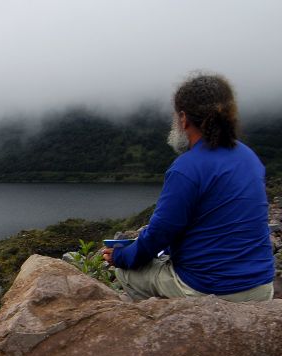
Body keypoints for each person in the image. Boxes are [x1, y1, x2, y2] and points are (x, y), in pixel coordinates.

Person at [102, 73, 275, 302]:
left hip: (209, 289)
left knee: (127, 272)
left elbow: (160, 233)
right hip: (261, 285)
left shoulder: (187, 168)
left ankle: (164, 325)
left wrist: (122, 256)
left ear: (183, 119)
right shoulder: (249, 157)